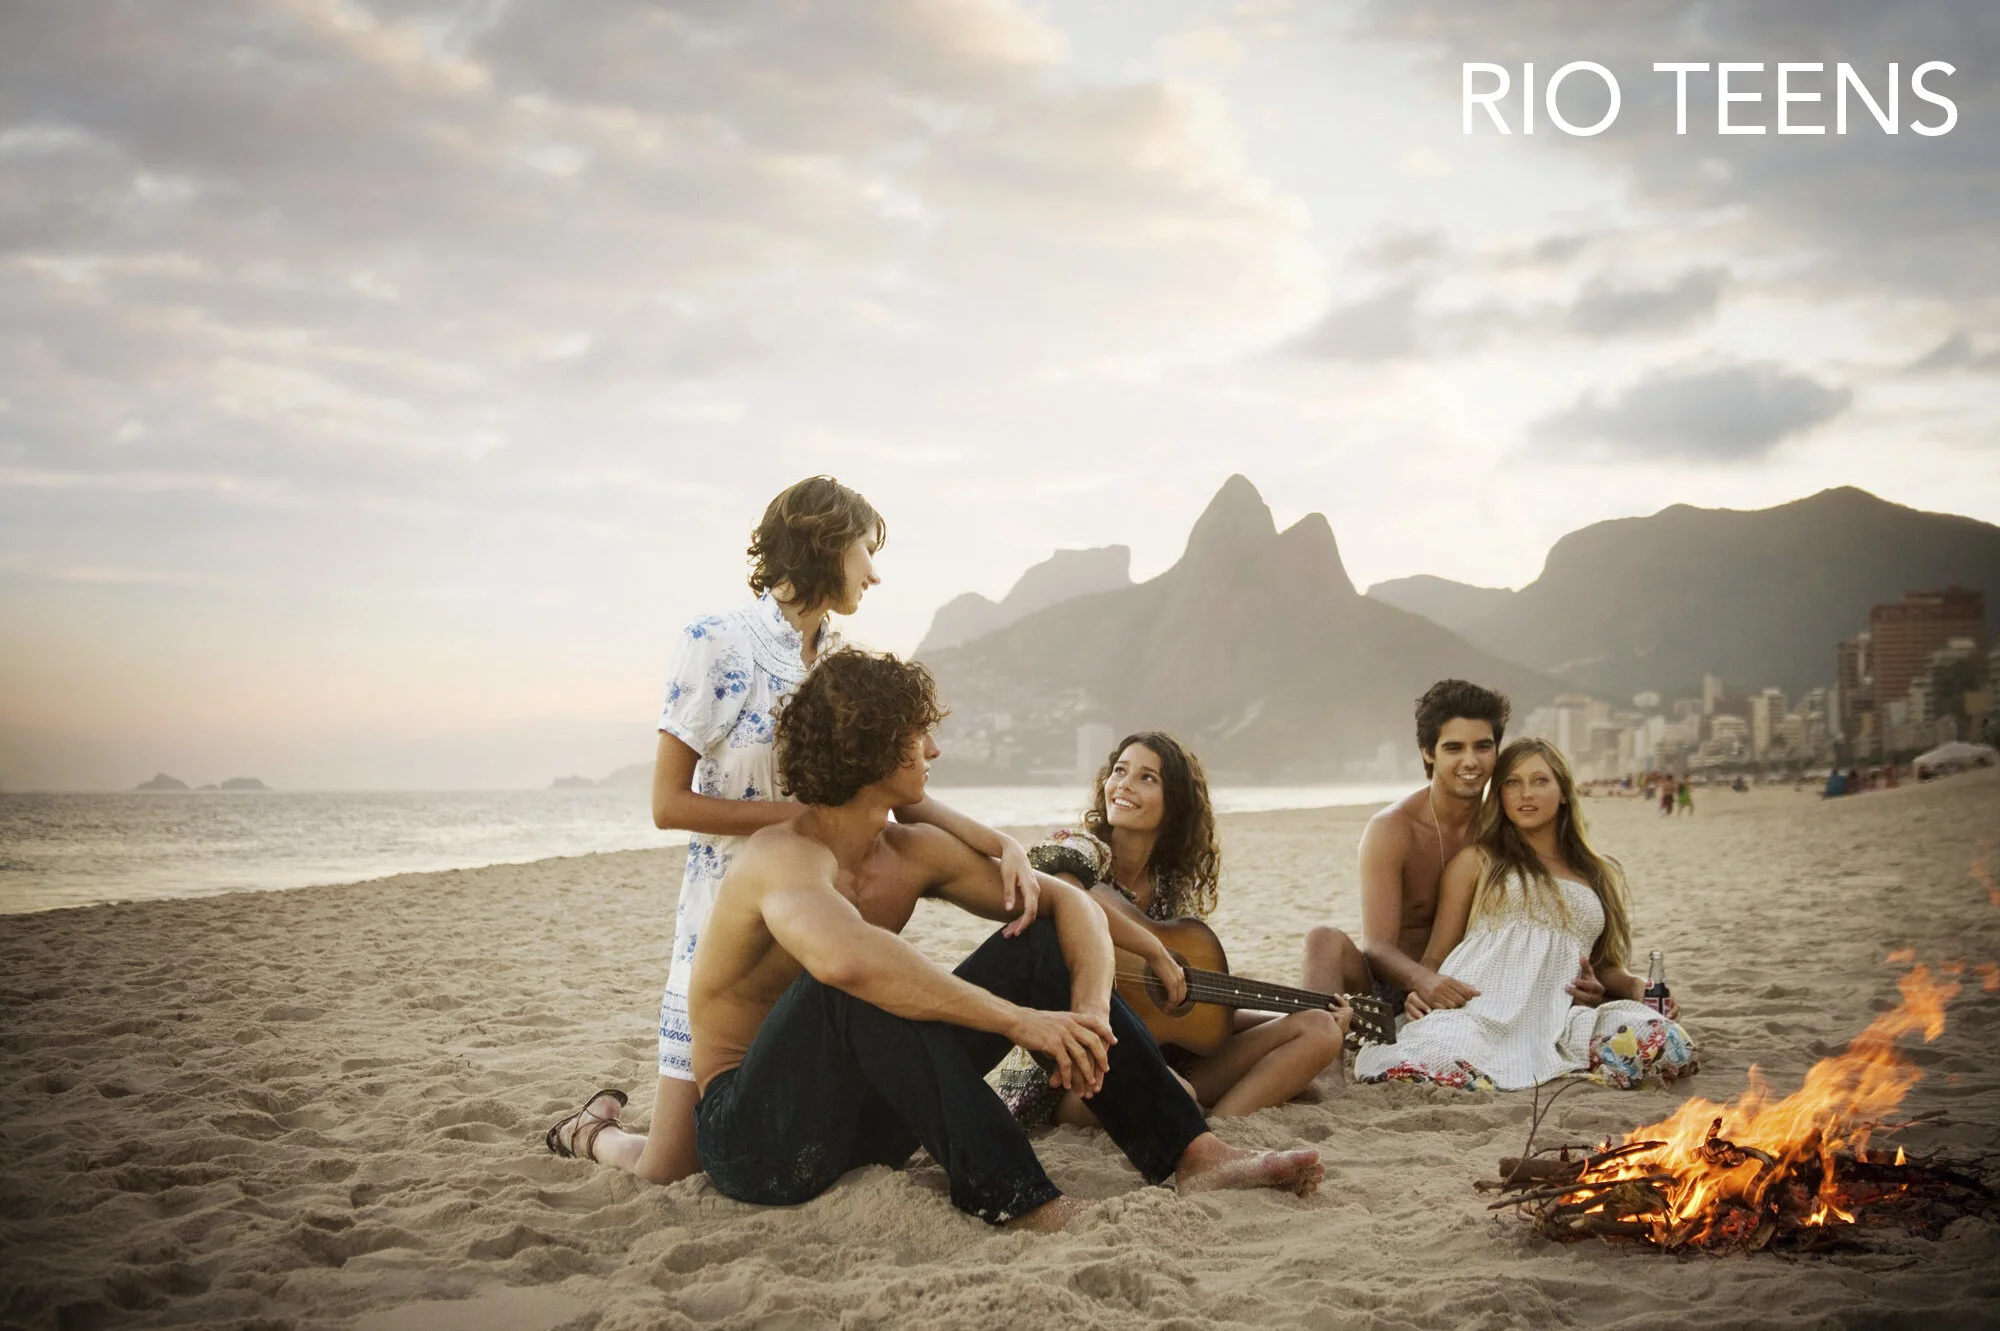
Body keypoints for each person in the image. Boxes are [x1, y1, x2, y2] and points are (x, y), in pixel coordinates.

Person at [665, 648, 1325, 1231]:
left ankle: (1193, 1154)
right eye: (920, 733)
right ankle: (1022, 1198)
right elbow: (843, 958)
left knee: (1036, 940)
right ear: (875, 747)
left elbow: (1073, 906)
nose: (935, 750)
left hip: (870, 1123)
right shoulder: (783, 858)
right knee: (863, 980)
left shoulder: (911, 851)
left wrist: (1088, 1016)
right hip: (759, 1139)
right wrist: (1022, 1022)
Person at [544, 476, 1040, 1184]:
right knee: (671, 1168)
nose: (875, 570)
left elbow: (897, 796)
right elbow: (667, 802)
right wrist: (799, 818)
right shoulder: (715, 641)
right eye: (867, 549)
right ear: (826, 541)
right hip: (731, 920)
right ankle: (591, 1131)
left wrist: (1001, 844)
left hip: (826, 912)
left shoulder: (844, 664)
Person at [1024, 733, 1349, 1121]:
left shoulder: (1174, 889)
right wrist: (1153, 950)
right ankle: (1194, 1120)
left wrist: (1300, 1010)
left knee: (1320, 1029)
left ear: (1174, 803)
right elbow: (1068, 894)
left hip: (1168, 1060)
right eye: (1120, 771)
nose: (1124, 784)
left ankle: (1220, 1130)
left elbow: (1186, 1016)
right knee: (1177, 1090)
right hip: (1077, 1075)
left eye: (1147, 778)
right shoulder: (1083, 849)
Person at [1353, 739, 1697, 1091]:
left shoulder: (1596, 873)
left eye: (1540, 781)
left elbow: (1604, 964)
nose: (1525, 793)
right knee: (1438, 1057)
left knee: (1666, 1041)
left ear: (1563, 791)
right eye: (1512, 783)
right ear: (1499, 796)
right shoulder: (1478, 861)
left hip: (1557, 1021)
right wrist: (1421, 987)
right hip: (1478, 1011)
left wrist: (1637, 987)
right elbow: (1439, 953)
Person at [1301, 681, 1607, 1019]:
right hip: (1391, 986)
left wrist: (1593, 982)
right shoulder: (1393, 829)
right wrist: (1424, 981)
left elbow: (1555, 915)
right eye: (1454, 748)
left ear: (1496, 751)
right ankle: (1323, 1070)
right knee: (1322, 940)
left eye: (1482, 746)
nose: (1470, 761)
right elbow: (1377, 948)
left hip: (1475, 989)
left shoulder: (1509, 825)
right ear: (1428, 752)